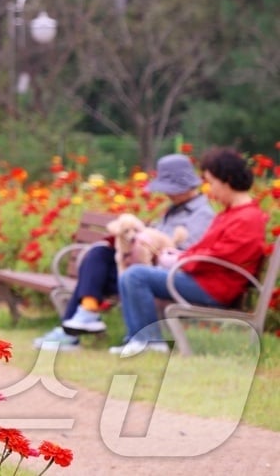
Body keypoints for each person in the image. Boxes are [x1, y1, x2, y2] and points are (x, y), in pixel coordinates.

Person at [34, 153, 214, 348]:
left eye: (171, 189)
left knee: (108, 272)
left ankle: (73, 330)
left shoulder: (202, 215)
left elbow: (184, 254)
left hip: (163, 277)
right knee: (99, 254)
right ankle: (85, 313)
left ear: (186, 186)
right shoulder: (173, 210)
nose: (167, 193)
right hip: (141, 268)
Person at [110, 147, 268, 357]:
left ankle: (149, 342)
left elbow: (219, 256)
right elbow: (206, 248)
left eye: (211, 183)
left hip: (214, 287)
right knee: (131, 274)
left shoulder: (247, 218)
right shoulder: (232, 213)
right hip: (204, 279)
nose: (210, 190)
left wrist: (182, 261)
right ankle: (138, 339)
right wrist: (180, 257)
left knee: (135, 275)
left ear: (227, 179)